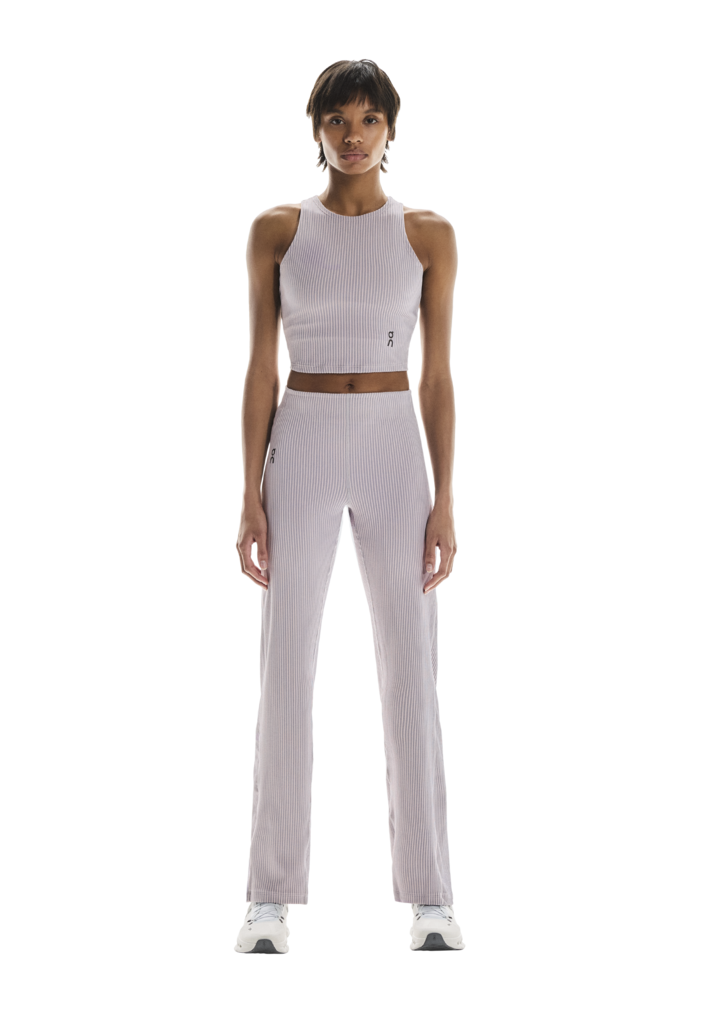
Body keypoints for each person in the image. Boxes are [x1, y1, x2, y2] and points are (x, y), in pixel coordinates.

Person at [232, 58, 466, 954]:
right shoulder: (277, 229)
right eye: (339, 119)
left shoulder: (429, 234)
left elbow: (437, 374)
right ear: (316, 129)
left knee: (411, 663)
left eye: (370, 119)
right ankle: (268, 897)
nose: (354, 134)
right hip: (304, 434)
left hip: (391, 442)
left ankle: (432, 897)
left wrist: (445, 498)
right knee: (286, 660)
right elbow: (260, 367)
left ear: (391, 130)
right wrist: (249, 495)